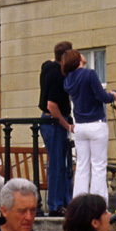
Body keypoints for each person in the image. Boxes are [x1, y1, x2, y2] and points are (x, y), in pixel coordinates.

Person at [62, 49, 116, 200]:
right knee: (98, 167)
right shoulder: (90, 74)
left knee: (82, 166)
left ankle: (78, 202)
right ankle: (98, 204)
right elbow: (102, 97)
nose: (82, 55)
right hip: (96, 125)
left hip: (80, 126)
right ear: (77, 59)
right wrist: (113, 96)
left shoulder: (68, 80)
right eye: (80, 53)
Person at [39, 41, 75, 216]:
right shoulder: (58, 75)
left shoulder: (47, 67)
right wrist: (66, 124)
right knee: (57, 165)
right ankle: (55, 204)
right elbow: (52, 106)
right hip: (54, 123)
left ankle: (64, 201)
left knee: (62, 163)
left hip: (50, 122)